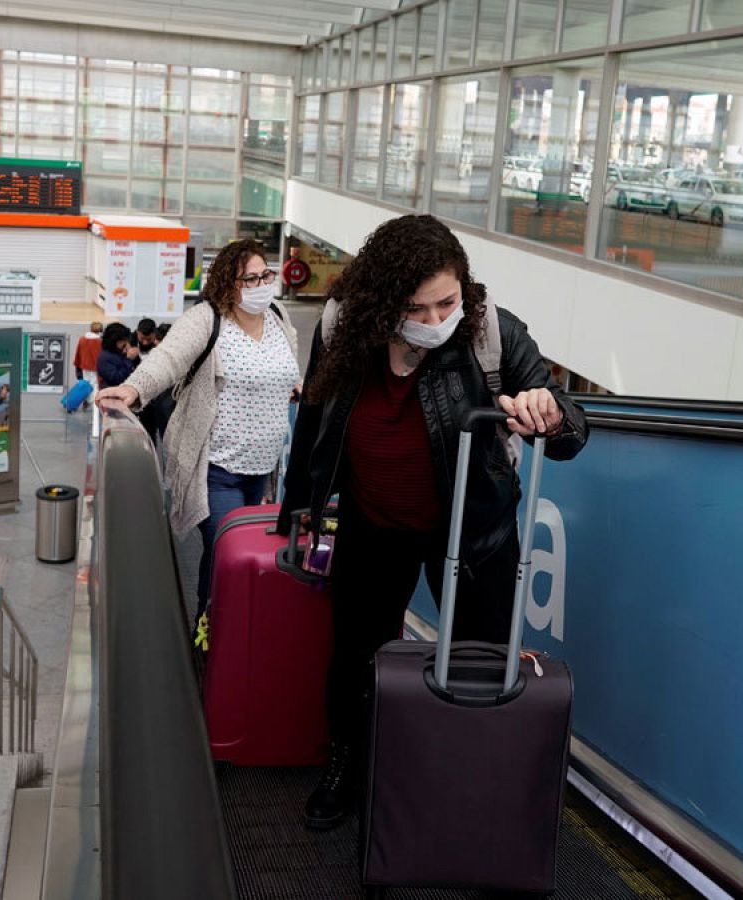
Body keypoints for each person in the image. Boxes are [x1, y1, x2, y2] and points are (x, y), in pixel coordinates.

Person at [275, 214, 589, 830]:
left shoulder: (489, 331)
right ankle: (348, 763)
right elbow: (314, 416)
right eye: (416, 309)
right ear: (384, 302)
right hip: (372, 524)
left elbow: (570, 427)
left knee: (482, 666)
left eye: (446, 301)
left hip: (474, 537)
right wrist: (300, 508)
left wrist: (548, 414)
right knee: (355, 660)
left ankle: (477, 793)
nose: (434, 319)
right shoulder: (344, 327)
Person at [94, 239, 300, 636]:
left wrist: (295, 386)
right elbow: (169, 359)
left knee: (235, 549)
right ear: (227, 283)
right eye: (250, 279)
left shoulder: (277, 315)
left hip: (261, 467)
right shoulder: (208, 319)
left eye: (265, 276)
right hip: (216, 467)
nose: (261, 285)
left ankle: (230, 626)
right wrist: (134, 389)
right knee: (227, 548)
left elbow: (287, 368)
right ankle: (209, 628)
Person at [96, 323, 138, 389]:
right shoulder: (105, 358)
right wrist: (129, 359)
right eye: (123, 341)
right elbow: (117, 379)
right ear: (115, 341)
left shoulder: (118, 351)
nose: (126, 342)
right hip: (112, 393)